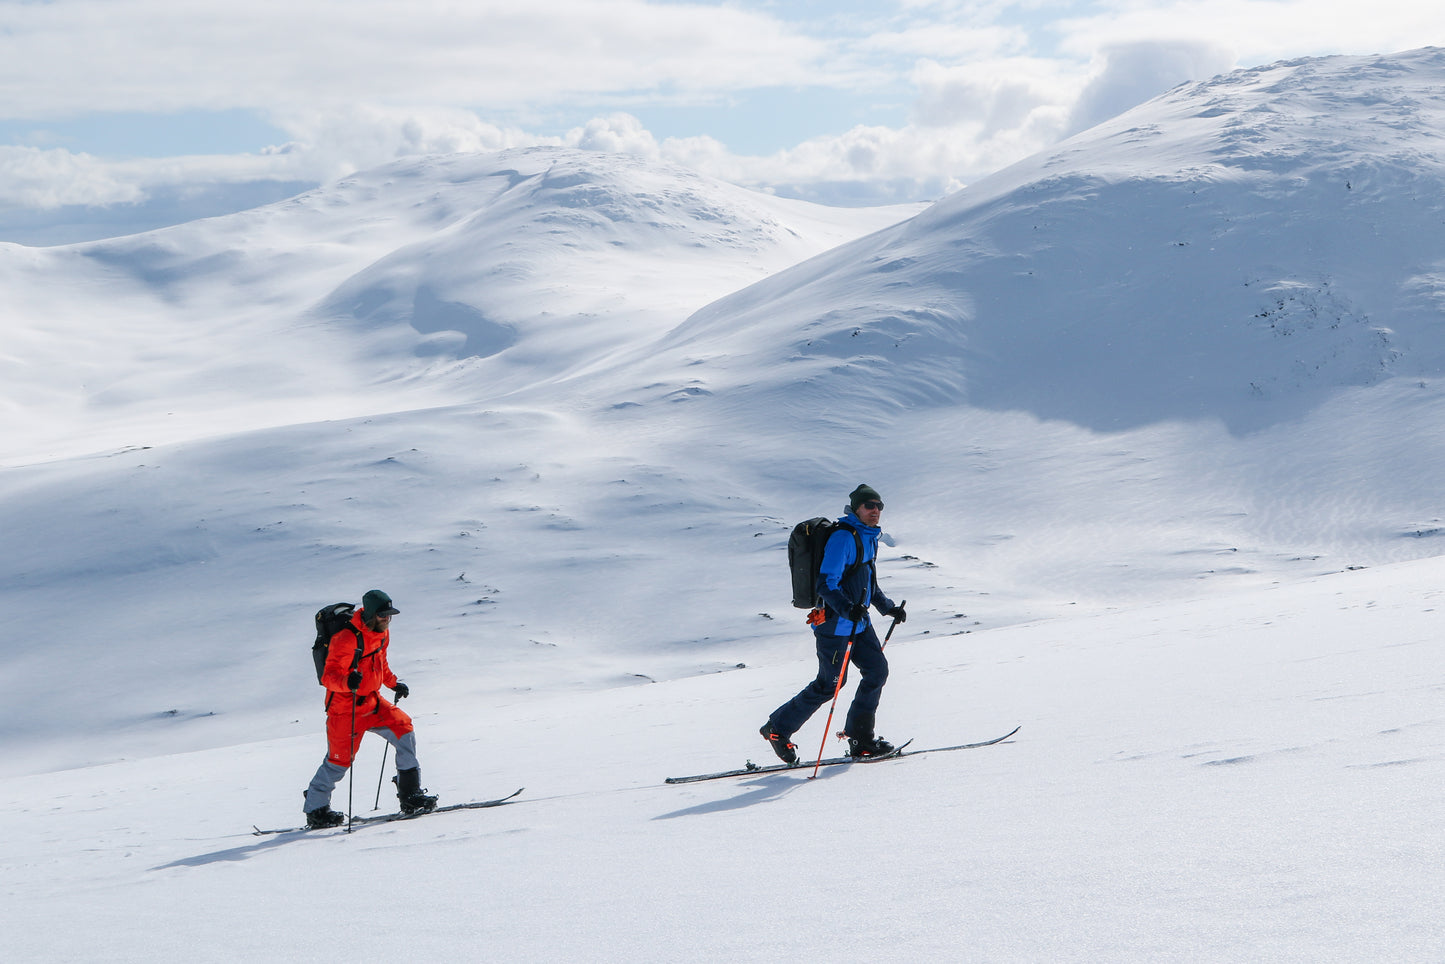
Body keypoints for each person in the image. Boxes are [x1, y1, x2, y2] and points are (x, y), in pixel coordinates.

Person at [761, 484, 907, 763]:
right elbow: (825, 584)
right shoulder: (844, 537)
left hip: (858, 622)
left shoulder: (869, 537)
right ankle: (777, 729)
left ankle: (861, 738)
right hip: (834, 624)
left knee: (877, 672)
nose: (875, 510)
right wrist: (846, 609)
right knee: (829, 684)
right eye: (869, 506)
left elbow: (868, 583)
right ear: (856, 509)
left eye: (879, 506)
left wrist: (888, 609)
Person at [303, 589, 437, 828]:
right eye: (383, 615)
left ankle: (410, 796)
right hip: (345, 709)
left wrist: (394, 683)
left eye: (389, 615)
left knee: (404, 728)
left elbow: (381, 663)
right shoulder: (346, 638)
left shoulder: (382, 635)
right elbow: (328, 677)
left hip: (373, 703)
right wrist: (347, 682)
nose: (387, 619)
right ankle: (316, 809)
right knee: (338, 763)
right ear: (371, 614)